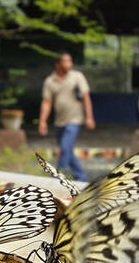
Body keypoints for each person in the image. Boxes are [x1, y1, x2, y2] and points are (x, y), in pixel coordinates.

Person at [39, 52, 96, 181]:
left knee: (65, 148)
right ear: (57, 64)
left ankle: (57, 178)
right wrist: (42, 121)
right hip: (59, 122)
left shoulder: (77, 77)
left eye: (70, 61)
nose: (69, 64)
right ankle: (81, 177)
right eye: (65, 61)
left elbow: (86, 97)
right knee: (67, 151)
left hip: (74, 119)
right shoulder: (50, 81)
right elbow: (47, 102)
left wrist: (89, 117)